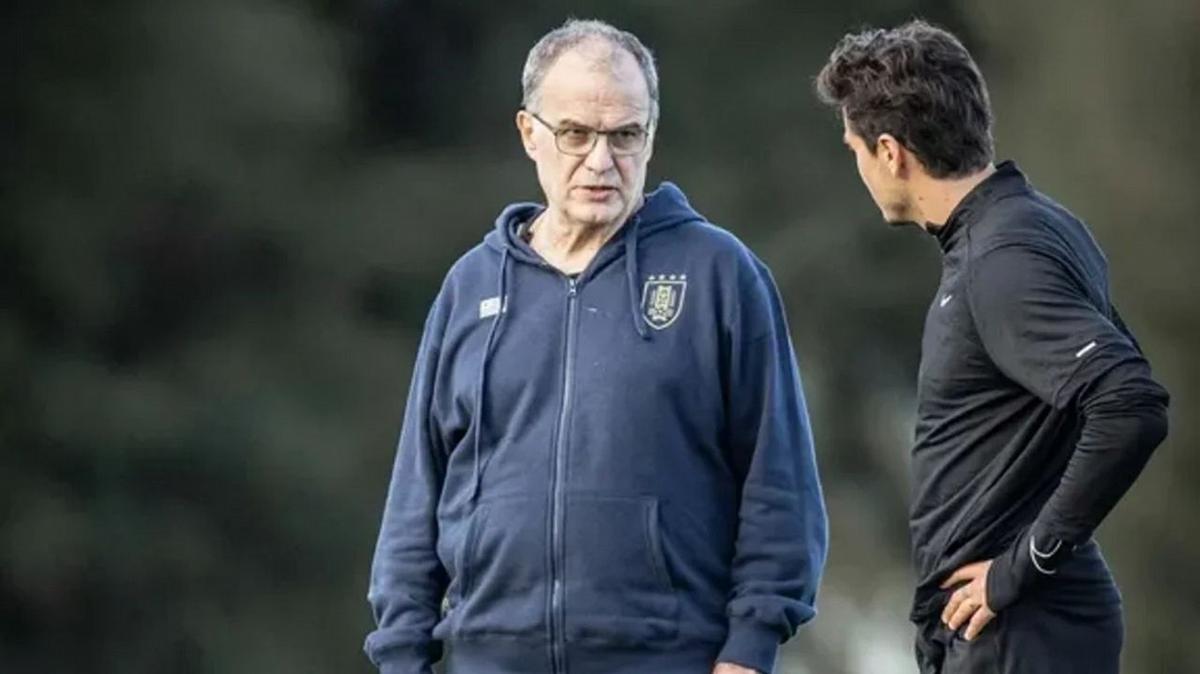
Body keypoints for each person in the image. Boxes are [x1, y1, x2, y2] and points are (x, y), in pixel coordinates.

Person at [364, 19, 828, 674]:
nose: (601, 161)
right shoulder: (469, 285)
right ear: (530, 133)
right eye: (576, 134)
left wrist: (749, 649)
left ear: (651, 135)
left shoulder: (720, 274)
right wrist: (402, 657)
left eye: (625, 135)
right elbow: (417, 494)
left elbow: (779, 485)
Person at [815, 19, 1169, 674]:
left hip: (1021, 628)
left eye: (853, 150)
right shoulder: (1028, 227)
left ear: (890, 151)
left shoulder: (1000, 257)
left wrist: (1022, 565)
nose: (858, 167)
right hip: (1010, 628)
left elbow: (1129, 402)